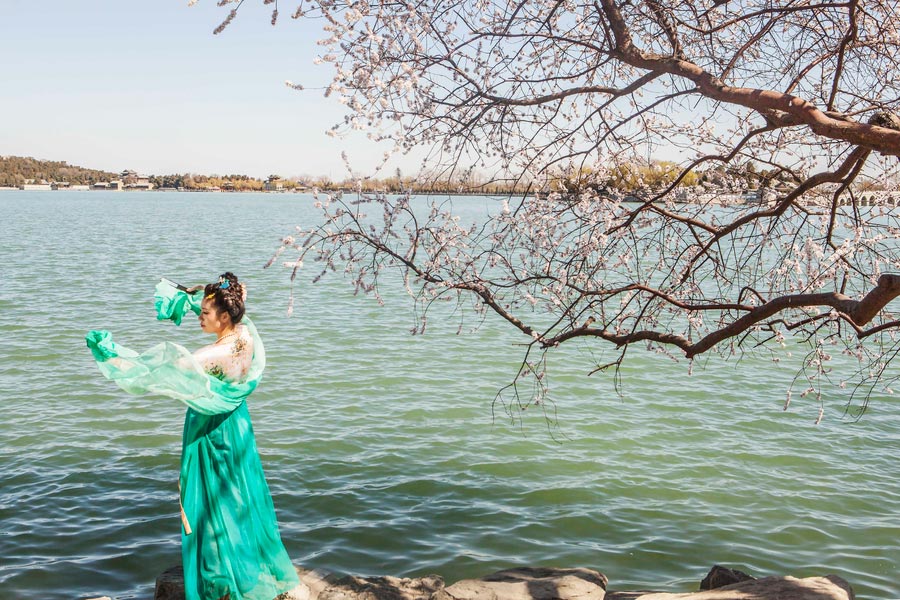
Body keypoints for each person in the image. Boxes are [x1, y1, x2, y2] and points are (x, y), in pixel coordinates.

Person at [86, 273, 303, 600]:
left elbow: (154, 371)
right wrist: (193, 292)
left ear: (224, 316)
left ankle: (220, 579)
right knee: (239, 495)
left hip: (210, 431)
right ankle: (245, 563)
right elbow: (235, 291)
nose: (199, 317)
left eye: (204, 314)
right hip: (237, 423)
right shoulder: (245, 333)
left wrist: (110, 355)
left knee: (208, 499)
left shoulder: (213, 355)